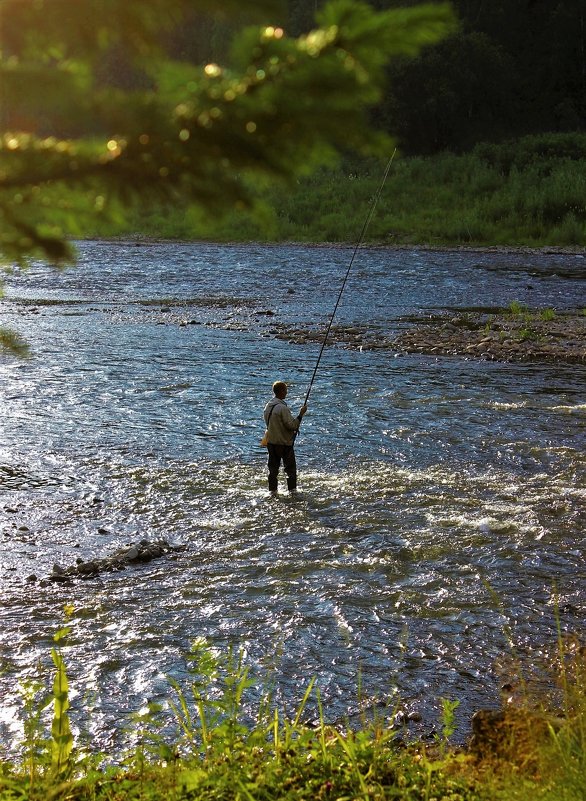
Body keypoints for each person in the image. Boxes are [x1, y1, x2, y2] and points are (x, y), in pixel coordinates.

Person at [263, 381, 308, 494]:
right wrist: (301, 414)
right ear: (282, 391)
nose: (286, 393)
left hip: (271, 443)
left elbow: (274, 424)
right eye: (286, 390)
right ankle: (292, 492)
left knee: (273, 470)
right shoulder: (282, 408)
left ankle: (272, 492)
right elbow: (291, 425)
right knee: (290, 470)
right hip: (284, 444)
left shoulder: (268, 406)